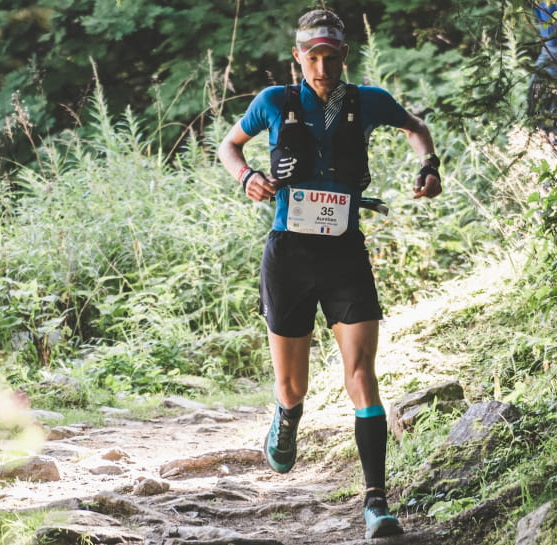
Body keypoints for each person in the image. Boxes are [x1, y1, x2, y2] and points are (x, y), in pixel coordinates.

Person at [216, 8, 442, 540]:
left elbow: (416, 129)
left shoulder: (367, 100)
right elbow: (229, 145)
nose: (322, 67)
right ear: (298, 58)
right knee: (292, 386)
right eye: (312, 57)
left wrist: (428, 164)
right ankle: (287, 416)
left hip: (344, 253)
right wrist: (247, 176)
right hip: (289, 255)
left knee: (362, 374)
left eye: (331, 57)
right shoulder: (274, 101)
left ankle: (377, 504)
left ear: (344, 58)